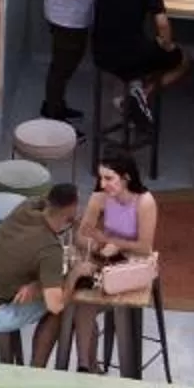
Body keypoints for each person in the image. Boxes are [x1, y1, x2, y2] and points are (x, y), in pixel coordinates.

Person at [0, 184, 81, 369]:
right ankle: (35, 371)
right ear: (69, 216)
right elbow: (55, 305)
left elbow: (22, 257)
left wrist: (37, 285)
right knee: (60, 309)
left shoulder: (27, 207)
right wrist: (75, 274)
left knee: (11, 280)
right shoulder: (51, 250)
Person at [91, 0, 185, 131]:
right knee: (181, 59)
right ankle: (141, 95)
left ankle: (134, 89)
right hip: (129, 55)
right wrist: (168, 44)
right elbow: (161, 22)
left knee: (145, 47)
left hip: (101, 51)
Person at [69, 153, 158, 373]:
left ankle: (92, 366)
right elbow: (81, 235)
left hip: (133, 265)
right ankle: (85, 365)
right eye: (101, 178)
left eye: (109, 178)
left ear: (126, 177)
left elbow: (145, 247)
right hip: (105, 261)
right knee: (84, 300)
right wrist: (98, 246)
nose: (103, 184)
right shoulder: (99, 197)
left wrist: (111, 241)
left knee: (89, 300)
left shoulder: (144, 201)